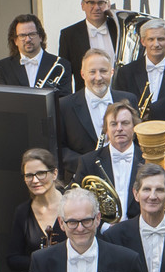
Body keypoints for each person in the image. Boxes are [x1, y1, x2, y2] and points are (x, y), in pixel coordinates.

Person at [58, 49, 139, 180]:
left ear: (112, 72)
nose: (98, 77)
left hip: (125, 174)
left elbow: (137, 139)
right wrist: (88, 164)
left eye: (103, 71)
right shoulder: (64, 105)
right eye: (92, 72)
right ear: (82, 74)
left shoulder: (129, 99)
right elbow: (59, 148)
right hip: (83, 178)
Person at [76, 98, 143, 222]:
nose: (119, 128)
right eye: (113, 124)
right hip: (103, 233)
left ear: (134, 127)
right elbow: (78, 203)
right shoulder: (88, 162)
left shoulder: (148, 159)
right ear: (106, 129)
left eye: (125, 123)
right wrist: (104, 227)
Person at [8, 148, 67, 272]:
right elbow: (13, 259)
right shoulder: (23, 212)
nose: (34, 180)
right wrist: (42, 260)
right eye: (29, 175)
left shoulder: (72, 204)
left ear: (54, 173)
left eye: (41, 173)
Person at [0, 12, 75, 96]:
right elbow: (2, 100)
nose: (28, 39)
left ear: (40, 37)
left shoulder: (61, 65)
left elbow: (65, 100)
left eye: (32, 34)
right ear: (15, 40)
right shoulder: (3, 67)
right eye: (22, 35)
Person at [57, 0, 119, 76]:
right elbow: (65, 74)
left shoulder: (119, 29)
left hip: (120, 90)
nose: (96, 7)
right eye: (91, 2)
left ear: (108, 5)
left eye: (101, 2)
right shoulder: (69, 35)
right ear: (82, 5)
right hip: (85, 91)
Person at [114, 17, 165, 101]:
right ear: (143, 42)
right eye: (151, 39)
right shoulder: (126, 72)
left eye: (160, 39)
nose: (156, 44)